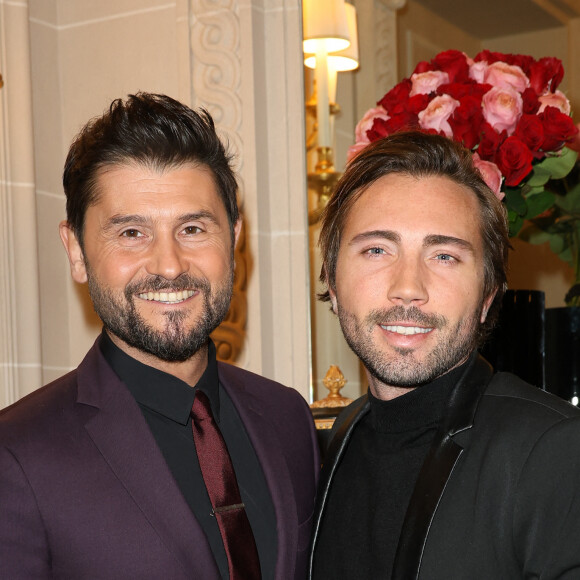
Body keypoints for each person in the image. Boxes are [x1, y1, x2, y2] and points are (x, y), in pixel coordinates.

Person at [0, 93, 319, 579]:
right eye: (131, 233)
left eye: (192, 228)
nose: (169, 265)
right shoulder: (16, 455)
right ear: (77, 251)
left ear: (233, 239)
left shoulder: (288, 416)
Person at [309, 131, 580, 580]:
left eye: (444, 256)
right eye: (377, 250)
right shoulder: (332, 438)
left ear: (488, 295)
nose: (408, 288)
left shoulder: (553, 451)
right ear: (333, 285)